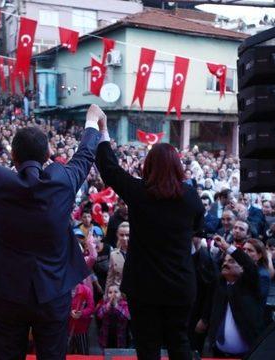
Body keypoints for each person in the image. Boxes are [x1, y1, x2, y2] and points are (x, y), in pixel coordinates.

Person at [0, 94, 102, 359]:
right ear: (48, 154)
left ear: (12, 156)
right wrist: (92, 122)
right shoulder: (65, 180)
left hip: (7, 295)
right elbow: (84, 155)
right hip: (53, 293)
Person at [95, 107, 205, 360]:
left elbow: (110, 169)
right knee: (180, 342)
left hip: (144, 286)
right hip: (180, 284)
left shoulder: (139, 193)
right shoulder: (190, 198)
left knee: (147, 346)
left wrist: (103, 132)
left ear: (148, 166)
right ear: (178, 166)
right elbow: (199, 227)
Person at [200, 238, 264, 358]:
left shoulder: (249, 287)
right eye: (225, 261)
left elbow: (250, 265)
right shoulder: (220, 285)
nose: (226, 263)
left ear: (242, 269)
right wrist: (204, 319)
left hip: (245, 354)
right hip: (217, 352)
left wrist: (228, 247)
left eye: (232, 261)